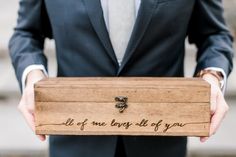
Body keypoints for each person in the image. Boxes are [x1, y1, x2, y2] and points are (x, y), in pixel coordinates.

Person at [9, 0, 234, 157]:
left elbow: (214, 34)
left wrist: (212, 76)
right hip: (76, 141)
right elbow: (26, 33)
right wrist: (33, 76)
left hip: (160, 142)